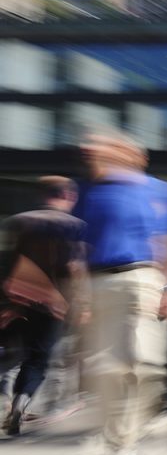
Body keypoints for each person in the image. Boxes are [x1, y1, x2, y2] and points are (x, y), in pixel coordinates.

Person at [73, 132, 167, 455]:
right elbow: (77, 246)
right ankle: (118, 443)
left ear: (132, 155)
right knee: (108, 369)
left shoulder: (161, 191)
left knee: (143, 364)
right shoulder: (88, 191)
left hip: (144, 279)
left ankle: (133, 431)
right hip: (99, 283)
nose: (94, 155)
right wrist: (79, 295)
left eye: (105, 148)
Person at [0, 177, 85, 436]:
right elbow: (75, 268)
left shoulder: (19, 221)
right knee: (38, 359)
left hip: (16, 300)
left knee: (9, 355)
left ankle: (9, 402)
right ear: (69, 196)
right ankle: (20, 403)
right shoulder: (76, 227)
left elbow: (5, 262)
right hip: (53, 304)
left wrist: (8, 302)